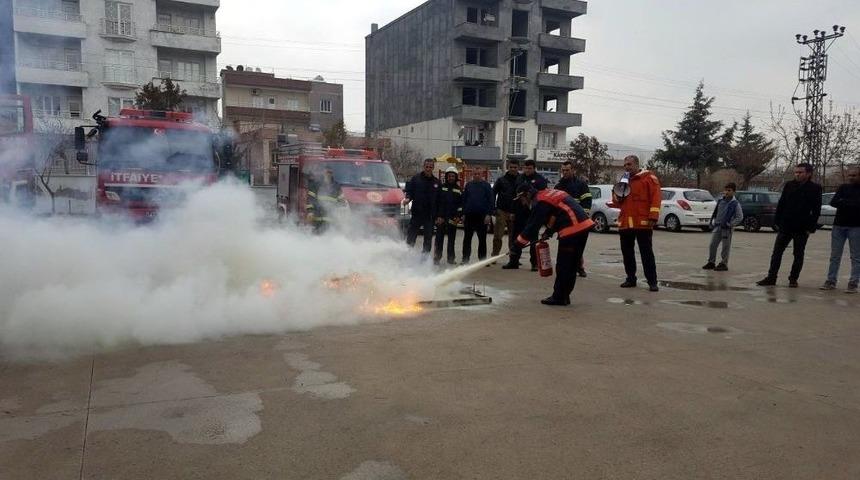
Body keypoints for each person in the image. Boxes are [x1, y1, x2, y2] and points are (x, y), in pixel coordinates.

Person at [512, 184, 594, 306]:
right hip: (583, 226)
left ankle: (559, 297)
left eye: (522, 199)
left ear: (527, 194)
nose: (522, 202)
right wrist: (549, 231)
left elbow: (532, 226)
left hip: (572, 230)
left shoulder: (540, 201)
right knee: (571, 265)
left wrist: (517, 245)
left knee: (564, 265)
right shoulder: (547, 193)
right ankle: (564, 296)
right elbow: (556, 213)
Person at [757, 163, 822, 288]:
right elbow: (781, 203)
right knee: (777, 253)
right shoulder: (789, 185)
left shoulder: (815, 188)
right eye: (796, 172)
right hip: (786, 225)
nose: (797, 174)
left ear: (808, 174)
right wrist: (777, 221)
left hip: (802, 228)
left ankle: (793, 279)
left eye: (800, 172)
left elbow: (816, 210)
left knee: (798, 254)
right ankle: (771, 277)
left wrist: (810, 228)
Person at [612, 155, 662, 292]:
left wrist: (653, 217)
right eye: (625, 165)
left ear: (636, 165)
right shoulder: (623, 180)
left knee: (646, 253)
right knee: (627, 253)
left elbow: (656, 198)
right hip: (625, 223)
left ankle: (652, 281)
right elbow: (616, 201)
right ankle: (630, 278)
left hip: (642, 223)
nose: (626, 167)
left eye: (629, 164)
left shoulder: (648, 179)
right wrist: (617, 196)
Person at [820, 165, 860, 293]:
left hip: (856, 227)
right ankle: (831, 281)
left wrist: (845, 202)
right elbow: (833, 202)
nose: (851, 178)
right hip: (839, 225)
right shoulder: (843, 187)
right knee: (835, 255)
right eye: (850, 175)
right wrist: (851, 203)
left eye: (854, 175)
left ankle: (853, 283)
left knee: (856, 256)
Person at [503, 159, 548, 270]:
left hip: (533, 214)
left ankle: (534, 263)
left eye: (530, 168)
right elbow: (515, 196)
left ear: (534, 168)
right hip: (519, 213)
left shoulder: (540, 180)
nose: (527, 170)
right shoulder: (520, 178)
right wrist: (512, 211)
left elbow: (542, 197)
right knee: (516, 237)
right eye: (525, 168)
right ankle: (513, 261)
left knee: (533, 239)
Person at [555, 160, 593, 277]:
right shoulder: (559, 186)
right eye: (563, 170)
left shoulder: (581, 184)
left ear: (573, 170)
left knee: (577, 246)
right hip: (564, 222)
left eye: (567, 170)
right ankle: (565, 268)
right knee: (565, 247)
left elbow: (587, 201)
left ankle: (579, 267)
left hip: (578, 221)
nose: (565, 173)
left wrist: (583, 216)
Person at [702, 182, 744, 271]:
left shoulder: (735, 204)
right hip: (717, 227)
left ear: (733, 192)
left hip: (726, 229)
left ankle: (724, 263)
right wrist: (713, 221)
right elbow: (716, 212)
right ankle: (711, 262)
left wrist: (730, 224)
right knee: (712, 245)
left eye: (729, 190)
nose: (727, 192)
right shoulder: (721, 201)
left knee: (725, 247)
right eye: (726, 190)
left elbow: (740, 217)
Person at [405, 159, 440, 255]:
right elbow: (409, 191)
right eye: (426, 166)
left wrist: (438, 215)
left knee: (428, 238)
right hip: (417, 213)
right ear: (423, 166)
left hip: (429, 215)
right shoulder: (416, 179)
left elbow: (439, 200)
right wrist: (408, 199)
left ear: (433, 168)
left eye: (430, 167)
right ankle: (407, 255)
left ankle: (424, 260)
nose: (428, 169)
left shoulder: (436, 182)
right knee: (411, 236)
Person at [461, 168, 494, 263]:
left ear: (482, 175)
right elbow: (464, 200)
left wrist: (488, 215)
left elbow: (491, 201)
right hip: (469, 216)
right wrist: (463, 213)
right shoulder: (468, 185)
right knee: (467, 239)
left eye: (478, 174)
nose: (476, 175)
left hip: (482, 217)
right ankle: (465, 259)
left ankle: (482, 259)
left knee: (482, 239)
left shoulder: (486, 186)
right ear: (472, 174)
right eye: (475, 174)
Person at [434, 167, 463, 265]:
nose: (451, 178)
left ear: (456, 177)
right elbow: (437, 203)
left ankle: (451, 258)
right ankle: (437, 257)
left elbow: (460, 205)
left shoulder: (458, 190)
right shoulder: (441, 187)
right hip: (441, 218)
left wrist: (458, 216)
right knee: (439, 239)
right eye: (449, 176)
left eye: (453, 176)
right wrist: (437, 216)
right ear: (446, 177)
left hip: (452, 219)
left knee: (451, 240)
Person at [492, 160, 520, 257]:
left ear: (518, 168)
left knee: (513, 237)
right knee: (498, 236)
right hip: (502, 211)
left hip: (515, 212)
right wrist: (494, 208)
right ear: (508, 167)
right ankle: (494, 256)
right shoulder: (501, 180)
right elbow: (493, 193)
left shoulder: (521, 180)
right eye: (511, 167)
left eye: (515, 167)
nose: (513, 169)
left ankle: (513, 258)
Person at [306, 166, 345, 234]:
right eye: (327, 172)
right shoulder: (316, 184)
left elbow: (341, 202)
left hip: (331, 219)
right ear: (323, 173)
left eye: (330, 172)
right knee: (316, 238)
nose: (328, 174)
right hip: (318, 217)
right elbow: (310, 199)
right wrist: (310, 212)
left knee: (329, 237)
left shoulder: (336, 186)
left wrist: (341, 214)